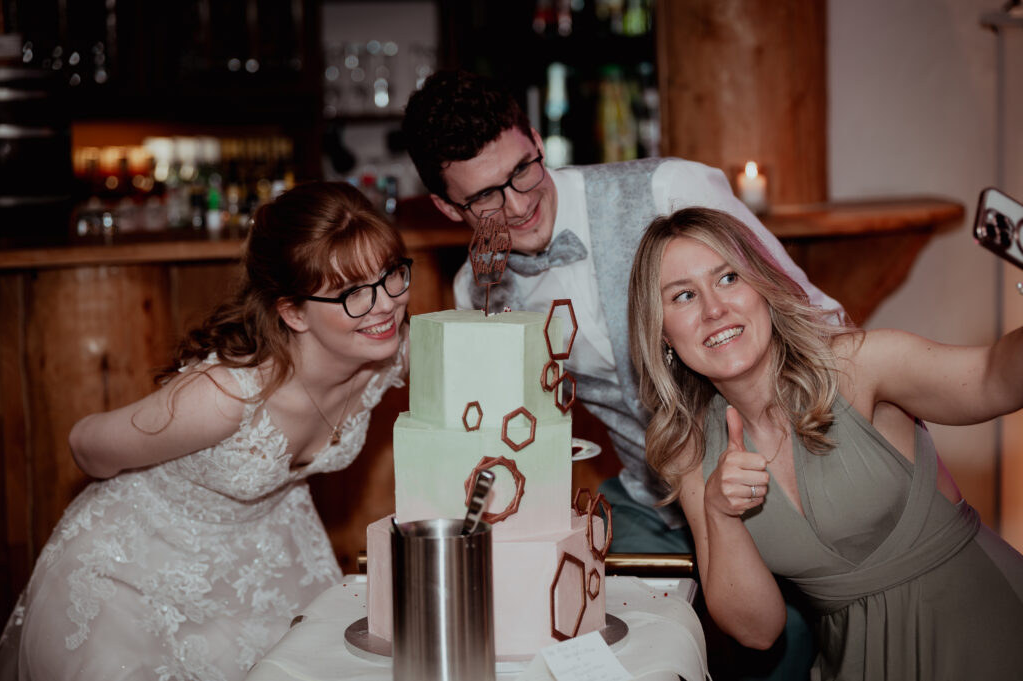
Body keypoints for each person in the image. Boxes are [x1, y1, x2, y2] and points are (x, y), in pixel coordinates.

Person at [401, 68, 839, 680]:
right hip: (654, 497)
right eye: (485, 198)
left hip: (772, 485)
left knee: (779, 648)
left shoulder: (668, 189)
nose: (520, 203)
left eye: (524, 169)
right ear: (448, 208)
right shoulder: (478, 292)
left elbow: (815, 315)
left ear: (535, 136)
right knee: (590, 637)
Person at [0, 182, 412, 680]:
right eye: (352, 294)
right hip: (137, 575)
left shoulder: (386, 355)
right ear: (293, 312)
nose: (386, 305)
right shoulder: (225, 396)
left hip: (263, 558)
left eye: (391, 275)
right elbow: (83, 443)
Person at [627, 206, 1023, 680]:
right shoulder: (687, 451)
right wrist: (719, 512)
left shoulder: (860, 368)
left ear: (763, 288)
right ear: (663, 331)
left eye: (729, 278)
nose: (714, 309)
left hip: (989, 634)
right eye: (684, 295)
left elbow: (992, 381)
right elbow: (757, 631)